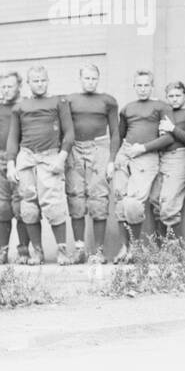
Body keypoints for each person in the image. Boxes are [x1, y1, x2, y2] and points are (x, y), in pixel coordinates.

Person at [5, 66, 74, 265]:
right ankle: (37, 251)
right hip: (26, 158)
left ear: (48, 81)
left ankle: (61, 251)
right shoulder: (20, 107)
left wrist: (61, 157)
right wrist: (11, 164)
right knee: (28, 207)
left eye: (43, 80)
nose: (40, 84)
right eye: (35, 81)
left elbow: (69, 133)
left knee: (53, 205)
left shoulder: (58, 102)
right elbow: (13, 138)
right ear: (28, 83)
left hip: (50, 158)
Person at [112, 71, 174, 263]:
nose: (142, 89)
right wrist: (112, 159)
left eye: (146, 85)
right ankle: (125, 247)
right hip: (126, 153)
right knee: (120, 200)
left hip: (146, 156)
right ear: (134, 86)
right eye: (139, 85)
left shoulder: (161, 107)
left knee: (134, 202)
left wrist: (144, 148)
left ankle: (136, 247)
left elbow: (169, 137)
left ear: (152, 86)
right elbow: (118, 135)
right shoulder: (128, 108)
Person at [64, 64, 119, 264]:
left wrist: (112, 159)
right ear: (80, 79)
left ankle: (98, 251)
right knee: (75, 196)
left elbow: (115, 132)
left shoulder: (108, 101)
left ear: (98, 79)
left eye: (94, 78)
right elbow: (64, 128)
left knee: (98, 197)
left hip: (99, 148)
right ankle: (79, 249)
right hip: (75, 148)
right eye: (86, 78)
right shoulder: (69, 100)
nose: (90, 82)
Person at [0, 71, 27, 263]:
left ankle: (24, 251)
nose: (6, 90)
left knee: (22, 205)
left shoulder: (25, 106)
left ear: (19, 86)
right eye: (3, 86)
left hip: (22, 159)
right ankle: (3, 251)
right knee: (1, 206)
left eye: (10, 86)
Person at [153, 81, 185, 241]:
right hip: (161, 158)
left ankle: (172, 249)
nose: (174, 99)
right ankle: (162, 246)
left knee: (169, 203)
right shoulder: (164, 113)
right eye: (171, 96)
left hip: (180, 156)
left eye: (178, 95)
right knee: (156, 201)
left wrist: (173, 129)